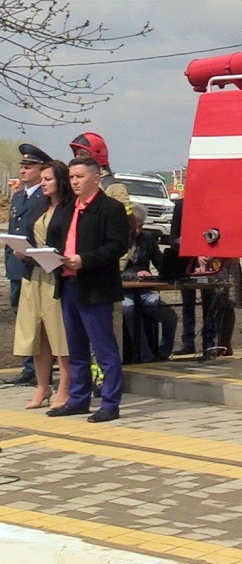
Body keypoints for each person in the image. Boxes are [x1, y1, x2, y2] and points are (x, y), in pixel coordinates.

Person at [45, 156, 129, 423]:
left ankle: (110, 402)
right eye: (71, 177)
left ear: (96, 177)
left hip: (95, 286)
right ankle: (79, 399)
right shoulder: (69, 207)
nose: (74, 182)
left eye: (79, 177)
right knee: (76, 347)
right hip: (69, 283)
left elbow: (118, 246)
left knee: (104, 347)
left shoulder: (110, 208)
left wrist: (84, 260)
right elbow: (58, 239)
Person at [13, 160, 73, 409]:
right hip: (33, 274)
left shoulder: (69, 208)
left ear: (60, 180)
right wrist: (23, 251)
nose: (44, 184)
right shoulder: (39, 206)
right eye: (43, 179)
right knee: (36, 334)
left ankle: (66, 386)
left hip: (55, 276)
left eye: (49, 179)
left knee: (58, 334)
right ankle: (42, 386)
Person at [4, 144, 51, 387]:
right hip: (16, 264)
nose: (23, 170)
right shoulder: (20, 195)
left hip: (36, 265)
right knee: (21, 317)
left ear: (41, 169)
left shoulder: (46, 196)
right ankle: (29, 367)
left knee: (38, 318)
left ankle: (40, 368)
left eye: (29, 166)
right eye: (22, 166)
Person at [121, 203, 177, 362]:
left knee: (170, 316)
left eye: (140, 227)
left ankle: (164, 353)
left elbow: (160, 263)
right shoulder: (118, 240)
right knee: (129, 310)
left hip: (144, 291)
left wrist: (173, 266)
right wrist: (133, 274)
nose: (136, 231)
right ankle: (145, 355)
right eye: (133, 227)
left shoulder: (148, 239)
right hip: (123, 293)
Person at [69, 132, 131, 215]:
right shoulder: (74, 181)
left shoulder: (113, 187)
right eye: (76, 154)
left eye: (82, 154)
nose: (77, 157)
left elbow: (124, 218)